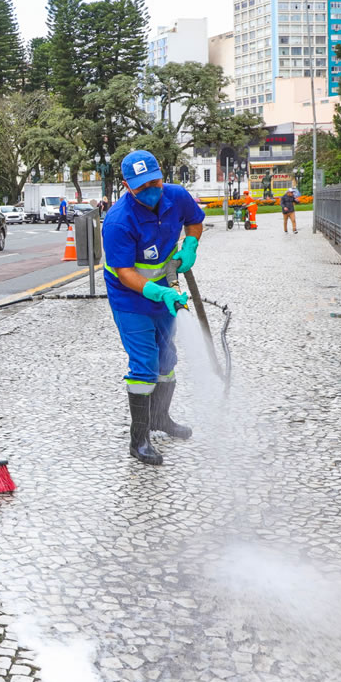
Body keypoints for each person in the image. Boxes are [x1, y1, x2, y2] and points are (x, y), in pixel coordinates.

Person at [102, 150, 204, 466]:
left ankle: (161, 418)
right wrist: (158, 293)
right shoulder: (119, 221)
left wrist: (190, 246)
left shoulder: (176, 196)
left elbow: (195, 221)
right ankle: (139, 439)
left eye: (154, 181)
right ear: (127, 186)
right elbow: (126, 273)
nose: (150, 189)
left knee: (167, 357)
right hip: (130, 297)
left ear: (162, 176)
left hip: (165, 290)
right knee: (145, 362)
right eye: (141, 185)